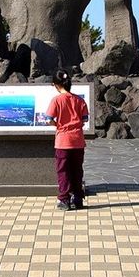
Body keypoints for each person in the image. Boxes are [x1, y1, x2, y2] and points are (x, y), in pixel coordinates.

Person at [46, 69, 89, 211]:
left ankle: (64, 199)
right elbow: (85, 119)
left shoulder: (56, 100)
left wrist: (58, 125)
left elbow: (49, 119)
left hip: (63, 141)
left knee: (63, 171)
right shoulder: (79, 100)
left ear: (55, 84)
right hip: (78, 140)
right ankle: (77, 198)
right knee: (77, 170)